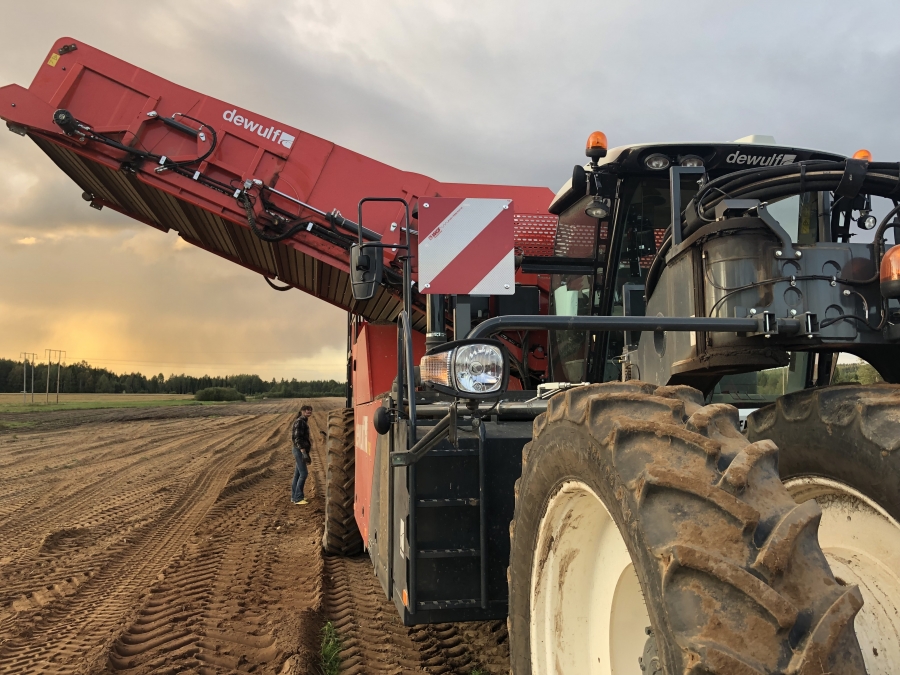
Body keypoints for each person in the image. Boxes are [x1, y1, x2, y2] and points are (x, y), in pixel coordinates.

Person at [291, 404, 313, 505]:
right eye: (308, 410)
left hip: (299, 450)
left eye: (310, 411)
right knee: (304, 474)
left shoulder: (303, 421)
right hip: (299, 450)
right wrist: (303, 451)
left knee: (298, 474)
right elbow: (297, 438)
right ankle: (298, 498)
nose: (309, 412)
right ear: (303, 411)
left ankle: (294, 496)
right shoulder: (300, 422)